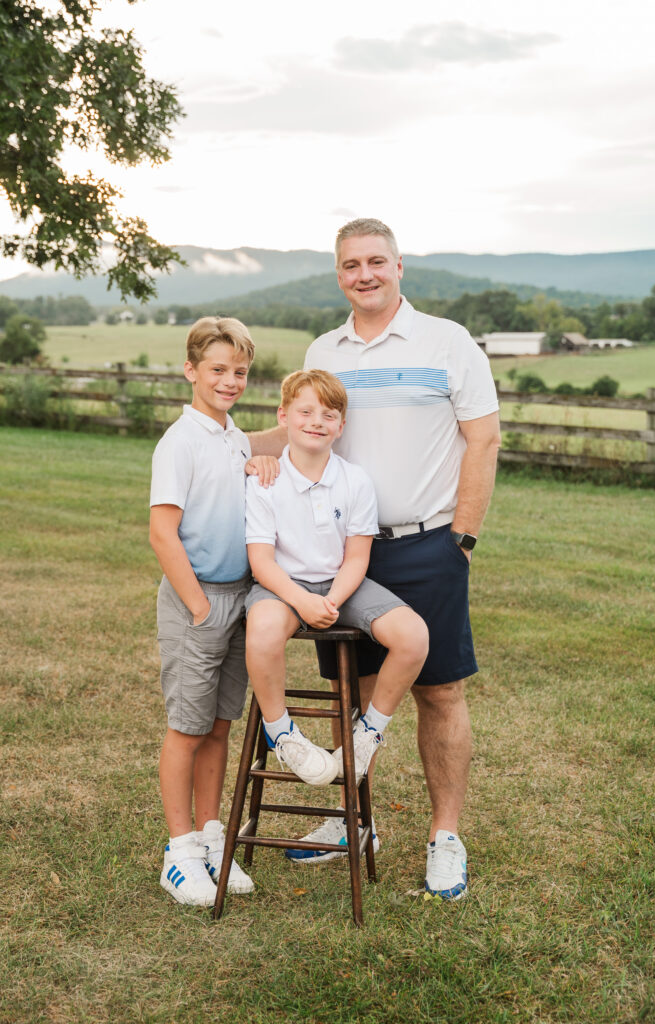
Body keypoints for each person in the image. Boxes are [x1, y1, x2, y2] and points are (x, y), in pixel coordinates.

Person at [252, 219, 501, 900]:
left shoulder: (446, 342)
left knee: (439, 692)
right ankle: (350, 822)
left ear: (399, 267)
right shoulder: (324, 349)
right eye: (349, 265)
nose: (363, 274)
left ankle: (444, 836)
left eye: (375, 262)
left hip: (430, 544)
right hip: (341, 554)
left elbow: (481, 441)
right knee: (353, 694)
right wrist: (232, 442)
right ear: (338, 274)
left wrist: (463, 539)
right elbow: (299, 425)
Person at [244, 369, 428, 798]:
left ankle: (368, 734)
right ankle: (282, 732)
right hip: (281, 584)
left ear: (341, 426)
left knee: (413, 635)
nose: (316, 422)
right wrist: (301, 601)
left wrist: (332, 601)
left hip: (342, 583)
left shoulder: (355, 480)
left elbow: (357, 557)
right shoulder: (265, 479)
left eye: (328, 415)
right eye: (305, 411)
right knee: (264, 630)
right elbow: (261, 563)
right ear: (284, 416)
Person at [149, 316, 276, 907]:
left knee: (221, 726)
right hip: (197, 601)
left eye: (240, 372)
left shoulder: (233, 437)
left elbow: (259, 457)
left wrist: (270, 456)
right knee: (187, 728)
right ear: (191, 370)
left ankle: (208, 838)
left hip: (241, 598)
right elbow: (162, 532)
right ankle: (178, 852)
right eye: (219, 370)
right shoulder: (181, 441)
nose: (230, 381)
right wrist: (199, 606)